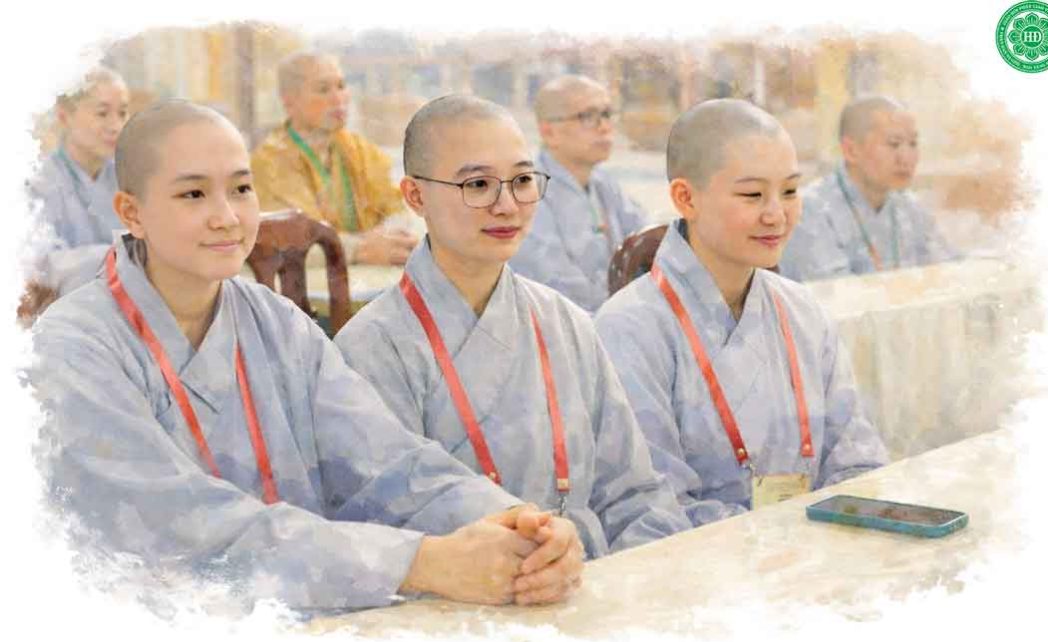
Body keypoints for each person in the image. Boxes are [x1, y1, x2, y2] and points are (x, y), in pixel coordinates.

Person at [30, 99, 583, 612]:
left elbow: (387, 461)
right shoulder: (72, 347)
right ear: (131, 212)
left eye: (241, 189)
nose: (227, 216)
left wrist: (517, 524)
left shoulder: (276, 322)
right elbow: (177, 527)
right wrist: (418, 563)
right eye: (193, 195)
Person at [334, 95, 691, 559]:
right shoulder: (372, 348)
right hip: (464, 595)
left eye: (522, 181)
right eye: (478, 185)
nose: (507, 206)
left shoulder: (566, 322)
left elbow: (635, 494)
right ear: (416, 196)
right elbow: (385, 535)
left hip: (592, 579)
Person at [595, 99, 888, 526]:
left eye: (790, 191)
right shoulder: (628, 328)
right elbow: (651, 508)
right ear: (685, 198)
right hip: (705, 560)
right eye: (752, 195)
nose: (776, 214)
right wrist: (781, 536)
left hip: (817, 549)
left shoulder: (803, 311)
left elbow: (857, 460)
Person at [250, 51, 418, 266]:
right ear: (289, 101)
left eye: (341, 86)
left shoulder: (359, 149)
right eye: (323, 89)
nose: (338, 99)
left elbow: (397, 209)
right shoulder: (269, 161)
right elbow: (288, 241)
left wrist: (388, 237)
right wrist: (359, 250)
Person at [777, 96, 958, 281]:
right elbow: (831, 292)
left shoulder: (910, 206)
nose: (906, 157)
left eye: (913, 143)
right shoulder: (809, 210)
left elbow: (950, 271)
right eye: (894, 144)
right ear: (851, 150)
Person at [509, 75, 650, 312]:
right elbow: (556, 288)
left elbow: (648, 241)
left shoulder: (603, 183)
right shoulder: (527, 192)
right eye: (588, 117)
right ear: (549, 132)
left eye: (607, 114)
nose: (604, 127)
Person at [27, 66, 129, 295]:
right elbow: (42, 268)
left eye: (122, 113)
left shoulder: (130, 177)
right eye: (102, 113)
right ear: (65, 116)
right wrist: (124, 256)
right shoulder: (38, 184)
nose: (116, 126)